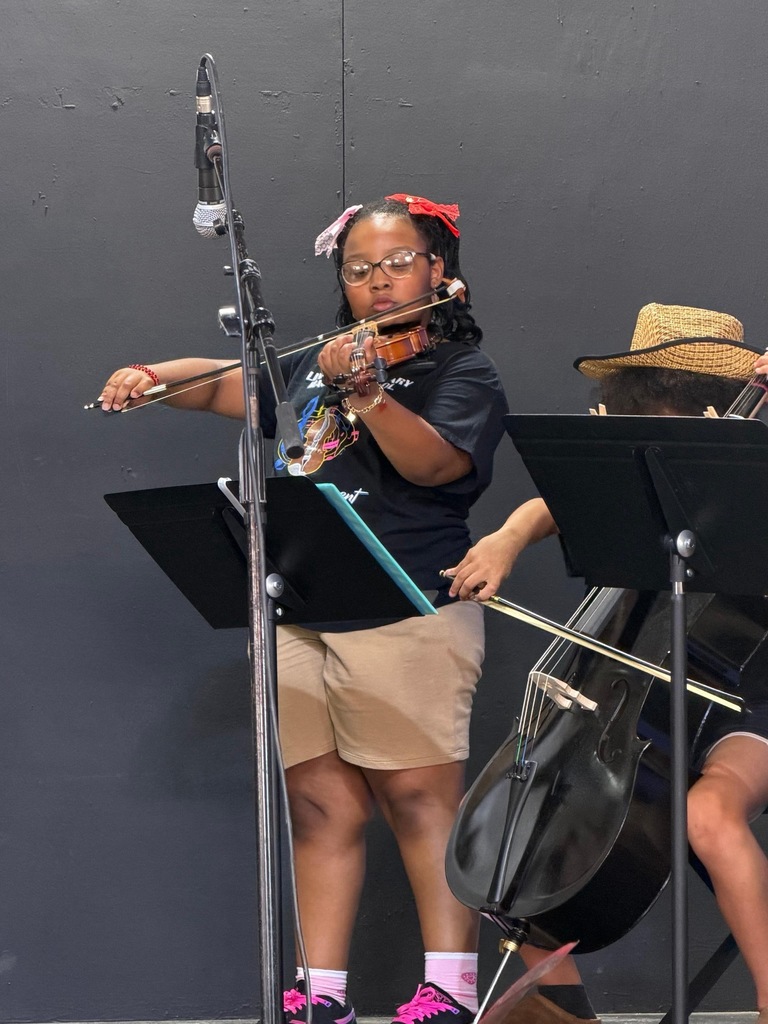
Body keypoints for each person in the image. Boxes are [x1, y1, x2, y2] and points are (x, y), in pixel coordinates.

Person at [98, 195, 508, 1024]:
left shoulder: (460, 374)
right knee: (320, 804)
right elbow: (215, 385)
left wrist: (369, 397)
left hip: (408, 604)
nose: (379, 282)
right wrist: (152, 379)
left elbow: (434, 469)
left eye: (398, 263)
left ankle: (450, 989)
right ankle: (321, 995)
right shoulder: (313, 365)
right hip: (303, 607)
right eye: (359, 270)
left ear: (440, 271)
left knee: (421, 801)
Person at [446, 303, 768, 1024]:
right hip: (642, 697)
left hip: (747, 697)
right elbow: (545, 509)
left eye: (671, 419)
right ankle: (566, 1016)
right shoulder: (639, 472)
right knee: (519, 845)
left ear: (714, 412)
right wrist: (502, 539)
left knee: (708, 815)